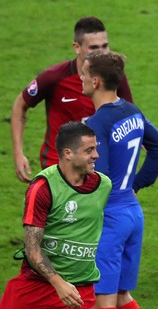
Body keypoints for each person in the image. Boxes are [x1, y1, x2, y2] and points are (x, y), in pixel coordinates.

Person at [0, 122, 111, 309]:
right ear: (67, 153)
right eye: (89, 150)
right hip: (35, 286)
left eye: (96, 148)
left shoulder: (103, 185)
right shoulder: (42, 188)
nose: (96, 155)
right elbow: (32, 250)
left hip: (78, 292)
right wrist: (58, 282)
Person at [78, 51, 158, 309]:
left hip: (112, 217)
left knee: (104, 301)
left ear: (97, 81)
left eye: (85, 73)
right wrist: (137, 183)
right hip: (133, 212)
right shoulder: (132, 111)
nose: (82, 78)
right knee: (123, 296)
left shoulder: (96, 124)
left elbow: (95, 174)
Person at [11, 16, 133, 184]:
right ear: (77, 48)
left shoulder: (114, 77)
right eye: (93, 47)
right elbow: (20, 105)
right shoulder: (54, 78)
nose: (102, 52)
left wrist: (147, 153)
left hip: (97, 164)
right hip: (60, 166)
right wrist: (18, 153)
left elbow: (129, 118)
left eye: (105, 46)